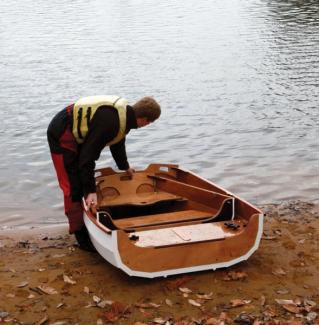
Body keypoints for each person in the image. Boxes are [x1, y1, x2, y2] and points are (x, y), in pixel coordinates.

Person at [47, 95, 161, 251]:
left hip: (76, 133)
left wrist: (125, 166)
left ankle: (84, 218)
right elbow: (87, 159)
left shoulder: (124, 117)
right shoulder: (110, 123)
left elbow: (117, 142)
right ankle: (81, 236)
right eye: (150, 122)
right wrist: (91, 191)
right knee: (73, 186)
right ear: (145, 119)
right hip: (62, 133)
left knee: (82, 177)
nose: (147, 125)